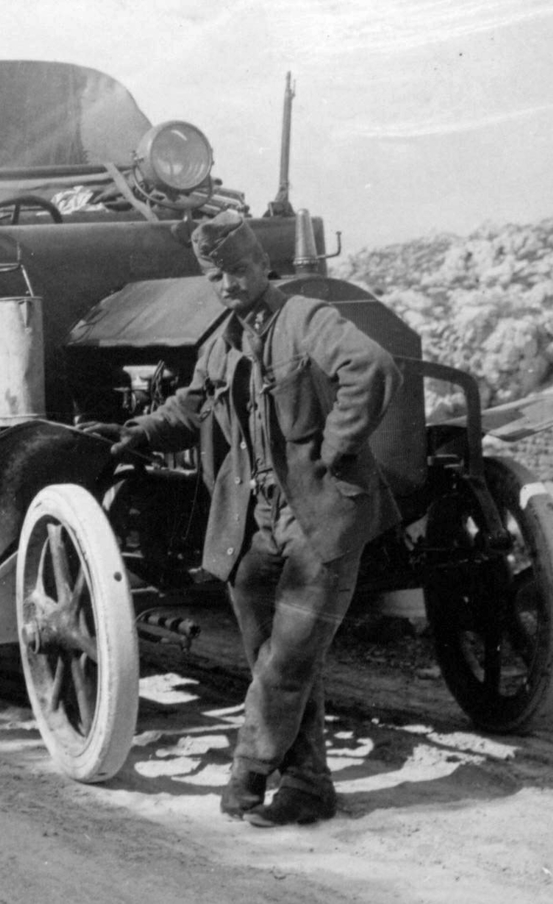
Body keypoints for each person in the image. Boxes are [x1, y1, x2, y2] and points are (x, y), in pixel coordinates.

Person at [101, 211, 399, 827]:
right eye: (217, 275)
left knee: (287, 659)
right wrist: (141, 433)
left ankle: (249, 771)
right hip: (254, 520)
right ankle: (309, 787)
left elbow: (371, 368)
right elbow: (194, 402)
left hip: (322, 516)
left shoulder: (305, 319)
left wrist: (336, 449)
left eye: (238, 270)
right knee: (278, 658)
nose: (230, 284)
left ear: (263, 266)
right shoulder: (224, 341)